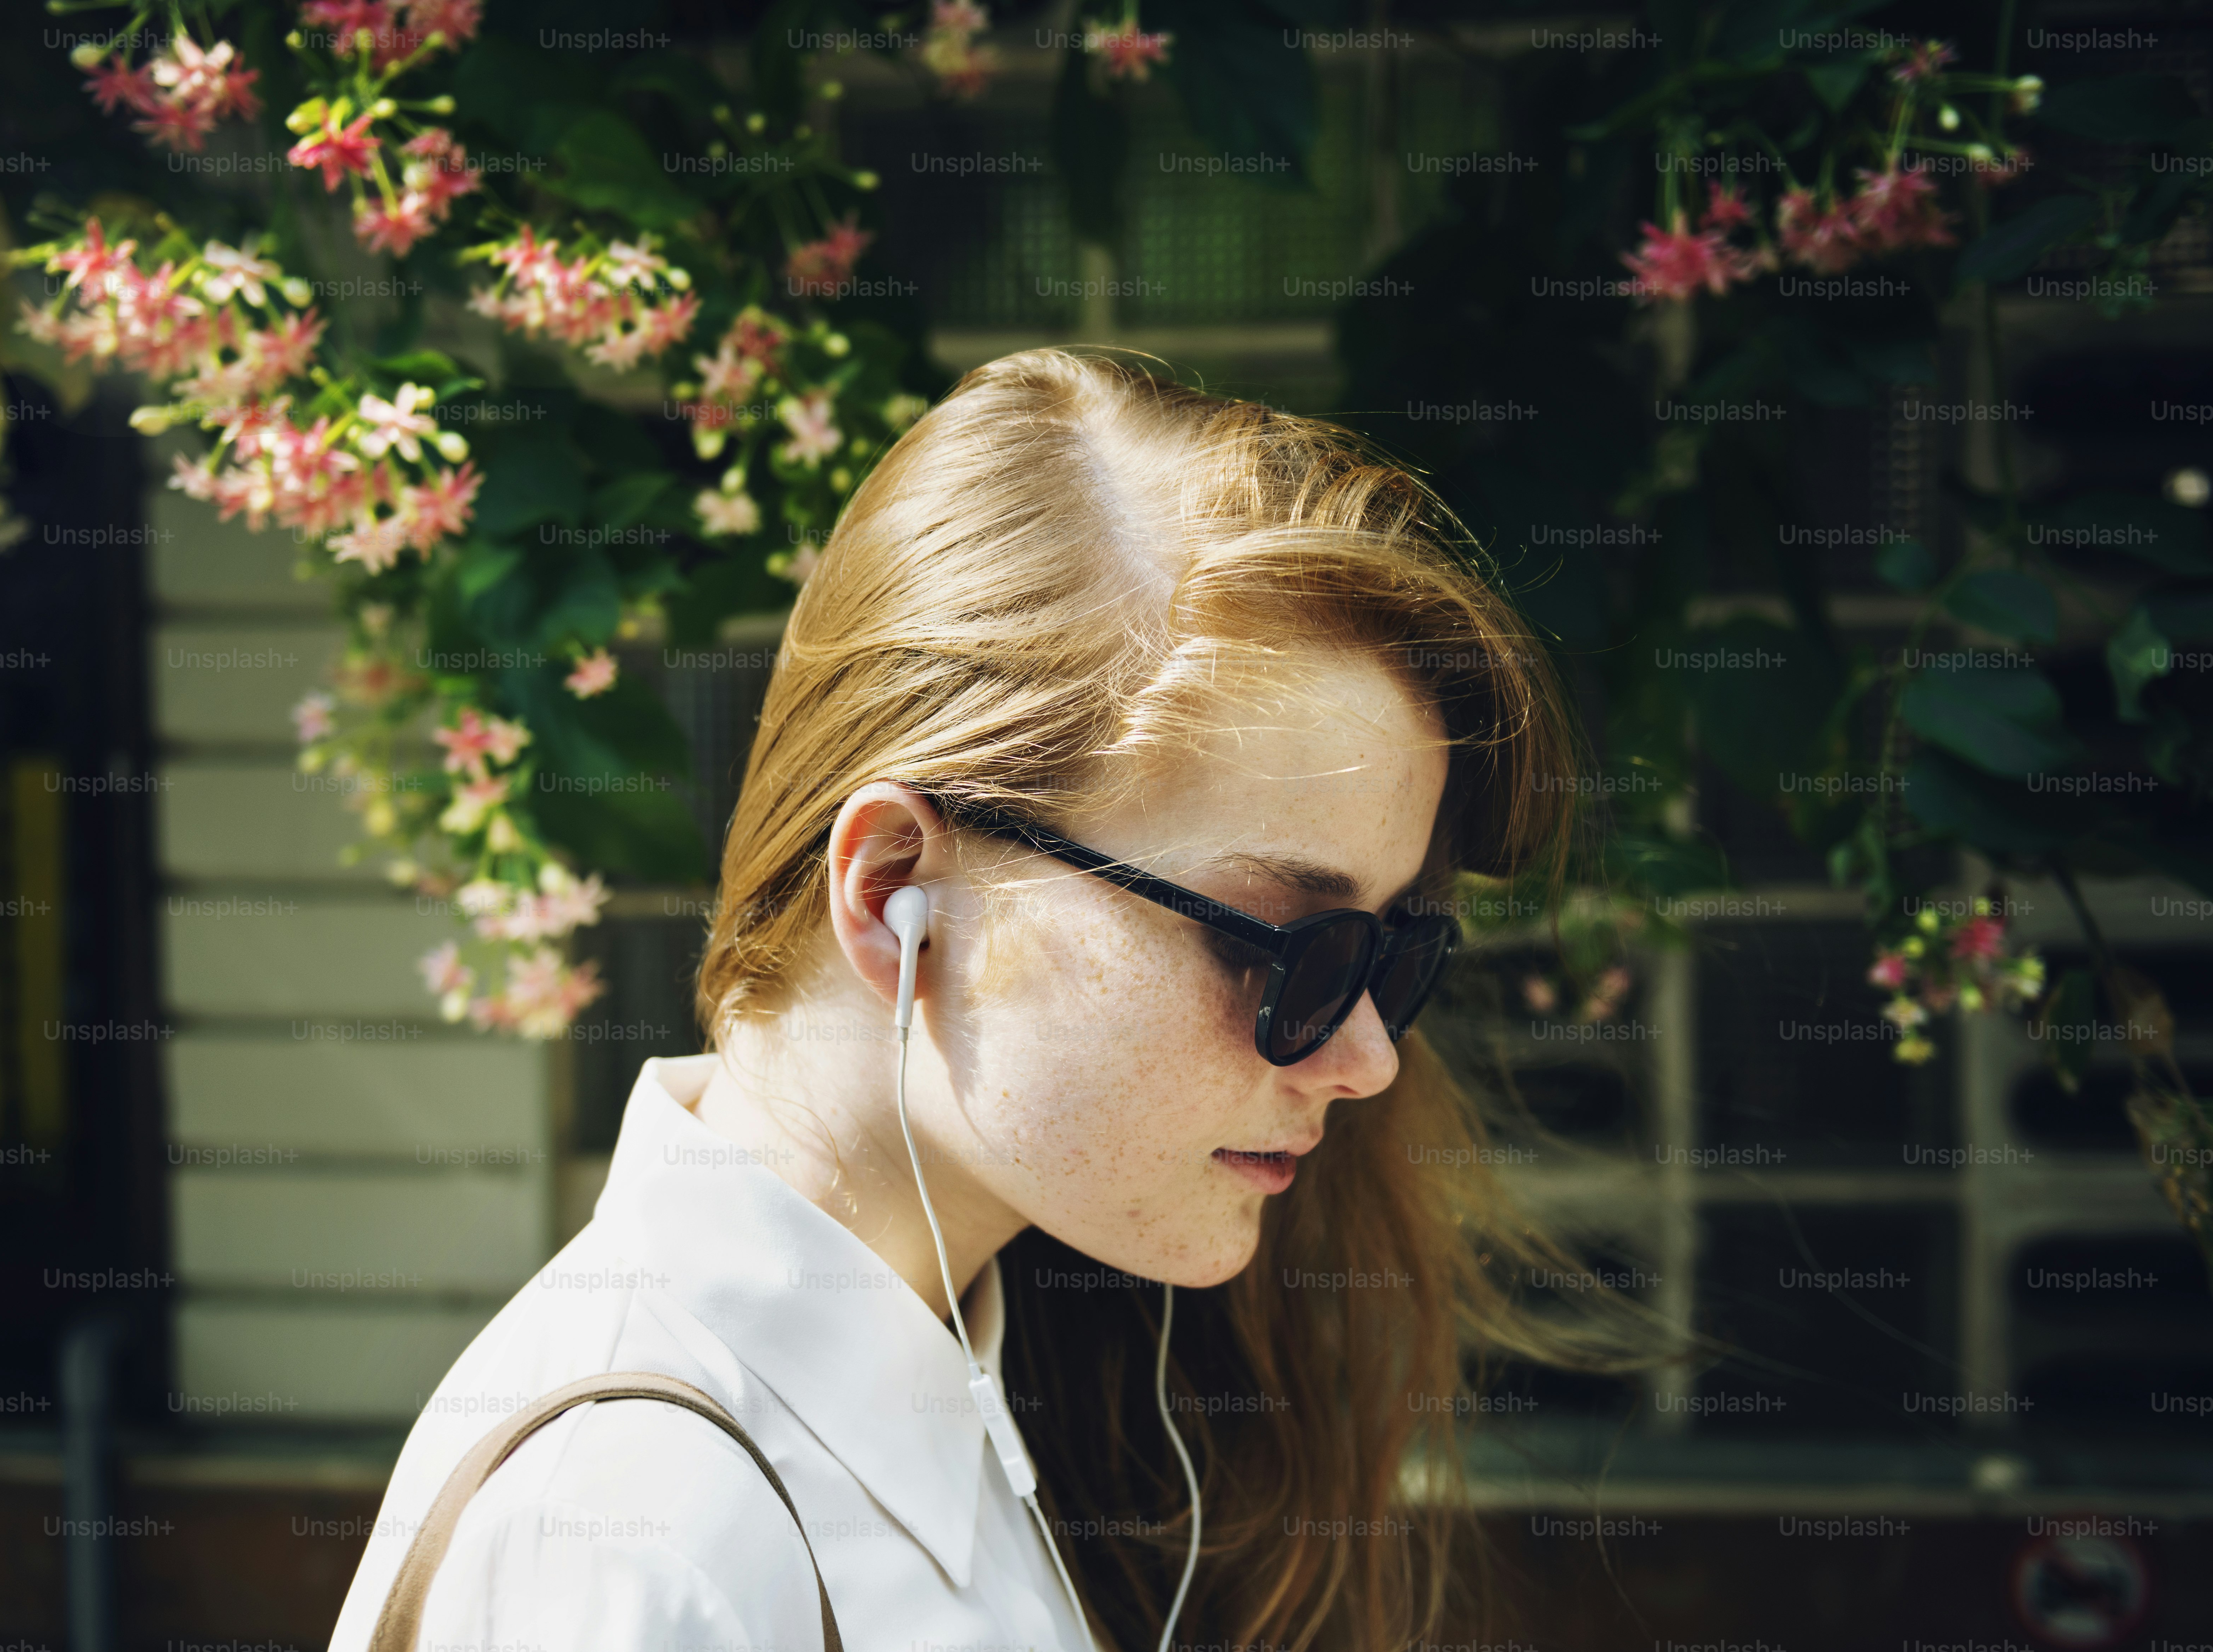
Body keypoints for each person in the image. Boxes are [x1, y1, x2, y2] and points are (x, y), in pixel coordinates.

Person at [331, 348, 1627, 1652]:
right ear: (898, 888)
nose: (1364, 1058)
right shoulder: (643, 1539)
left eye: (1395, 959)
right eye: (1291, 946)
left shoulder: (938, 1378)